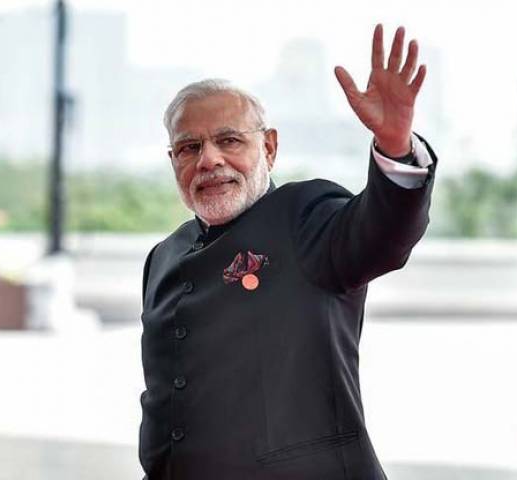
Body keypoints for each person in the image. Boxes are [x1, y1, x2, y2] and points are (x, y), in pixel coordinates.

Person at [138, 24, 437, 480]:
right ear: (173, 161)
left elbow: (382, 232)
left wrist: (395, 145)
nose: (209, 160)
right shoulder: (162, 256)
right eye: (189, 148)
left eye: (229, 140)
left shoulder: (307, 215)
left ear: (270, 147)